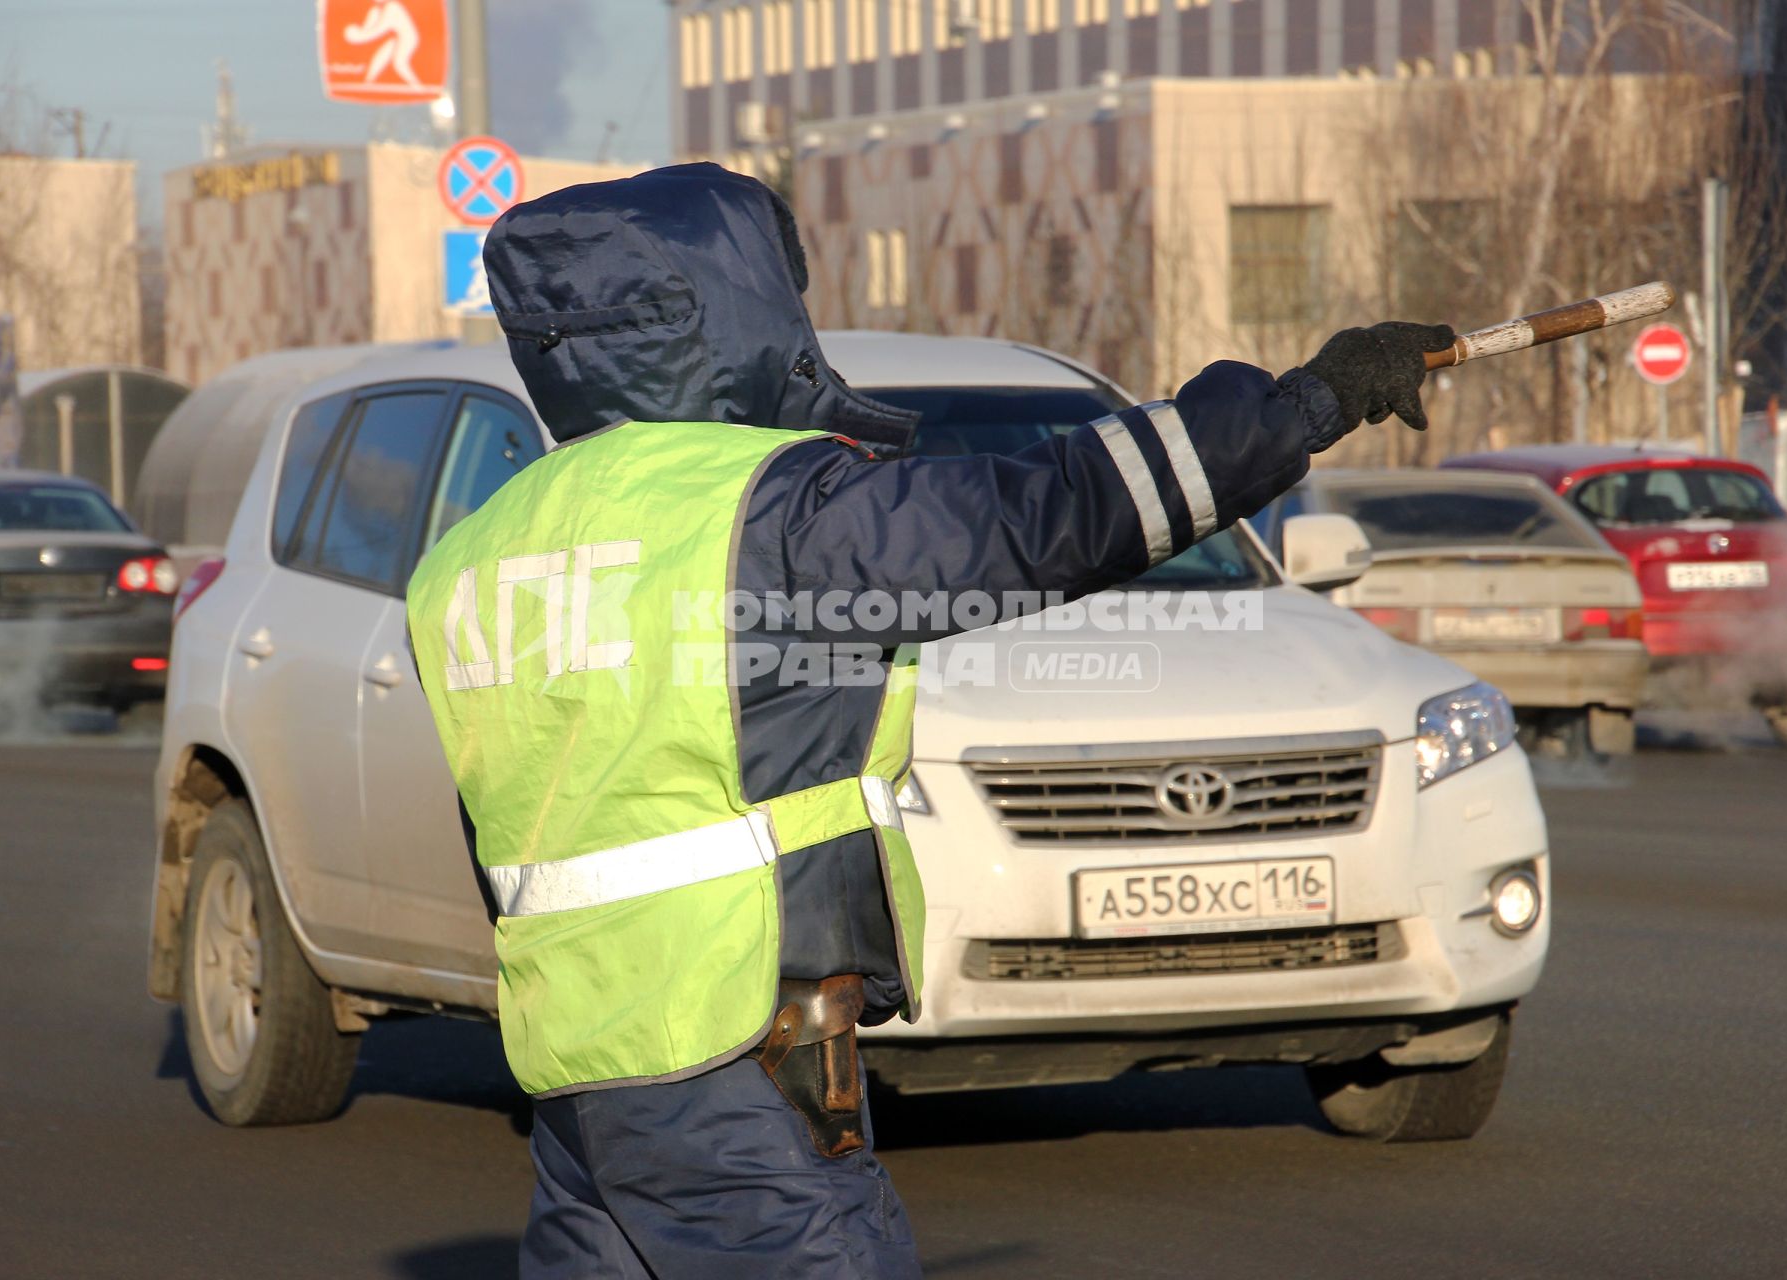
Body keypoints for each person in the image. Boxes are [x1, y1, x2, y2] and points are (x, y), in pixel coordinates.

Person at [404, 162, 1452, 1279]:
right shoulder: (766, 513)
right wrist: (1309, 403)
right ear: (738, 308)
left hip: (573, 1059)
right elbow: (1052, 512)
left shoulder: (471, 556)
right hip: (729, 1046)